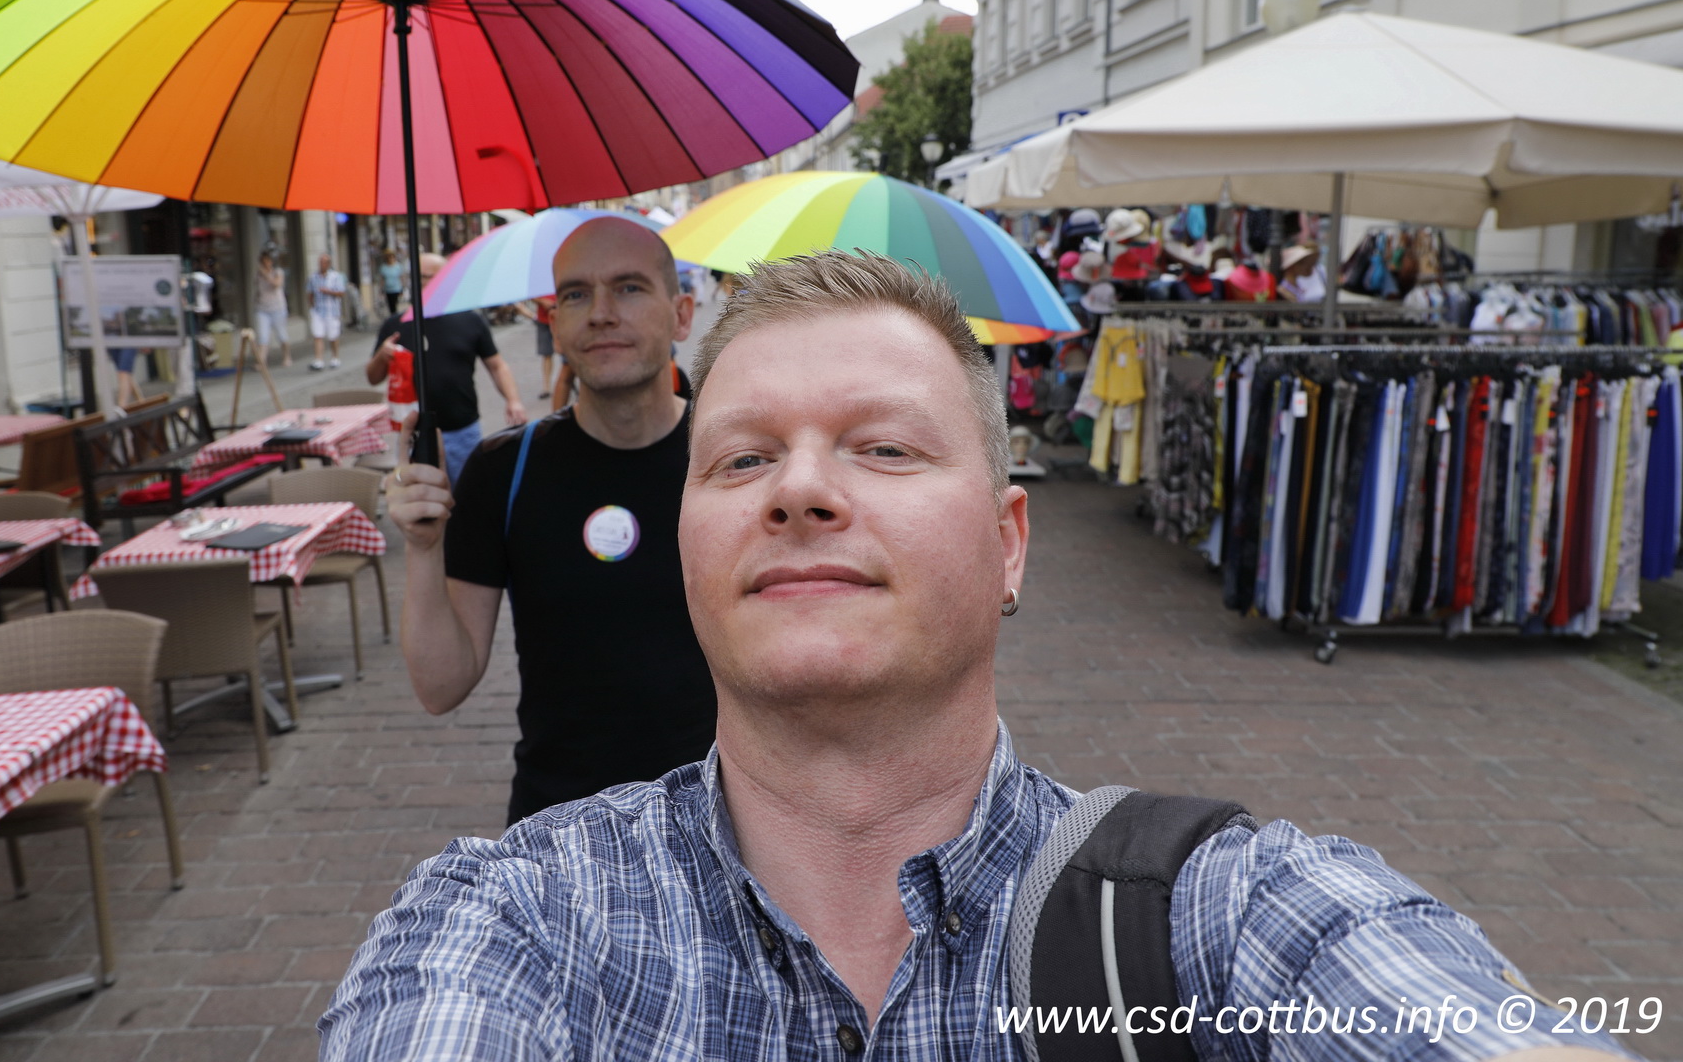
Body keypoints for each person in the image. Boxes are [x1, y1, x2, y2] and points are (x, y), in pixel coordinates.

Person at [321, 251, 1622, 1062]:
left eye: (885, 447)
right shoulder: (514, 922)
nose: (801, 490)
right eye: (745, 457)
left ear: (1009, 545)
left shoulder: (1215, 918)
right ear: (689, 540)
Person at [379, 218, 714, 825]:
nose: (601, 313)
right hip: (558, 827)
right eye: (576, 294)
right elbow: (441, 686)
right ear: (554, 324)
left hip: (720, 821)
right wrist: (424, 549)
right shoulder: (504, 470)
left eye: (630, 288)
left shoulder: (733, 460)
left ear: (682, 314)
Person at [365, 252, 527, 486]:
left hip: (462, 429)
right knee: (421, 498)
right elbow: (372, 377)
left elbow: (497, 365)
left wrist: (513, 400)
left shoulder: (470, 320)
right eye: (418, 276)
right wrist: (382, 355)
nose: (423, 282)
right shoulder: (396, 324)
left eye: (430, 276)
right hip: (414, 433)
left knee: (467, 493)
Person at [307, 253, 348, 370]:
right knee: (318, 335)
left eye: (324, 262)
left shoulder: (335, 276)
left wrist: (328, 291)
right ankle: (318, 360)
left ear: (328, 264)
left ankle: (335, 357)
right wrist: (312, 306)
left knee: (333, 336)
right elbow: (309, 293)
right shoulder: (313, 277)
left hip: (332, 311)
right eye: (320, 262)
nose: (321, 264)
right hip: (318, 311)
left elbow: (341, 292)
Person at [252, 250, 289, 368]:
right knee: (263, 336)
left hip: (278, 308)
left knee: (281, 335)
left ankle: (287, 357)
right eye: (263, 262)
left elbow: (276, 284)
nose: (265, 264)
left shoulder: (277, 272)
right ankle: (261, 361)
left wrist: (266, 274)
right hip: (262, 309)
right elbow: (257, 290)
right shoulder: (258, 275)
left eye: (267, 261)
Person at [377, 248, 406, 315]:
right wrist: (381, 289)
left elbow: (401, 277)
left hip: (396, 288)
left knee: (395, 303)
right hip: (388, 289)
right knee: (390, 305)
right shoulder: (384, 267)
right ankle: (393, 315)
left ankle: (395, 315)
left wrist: (402, 289)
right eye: (388, 257)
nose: (390, 259)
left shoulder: (398, 266)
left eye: (392, 257)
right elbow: (382, 279)